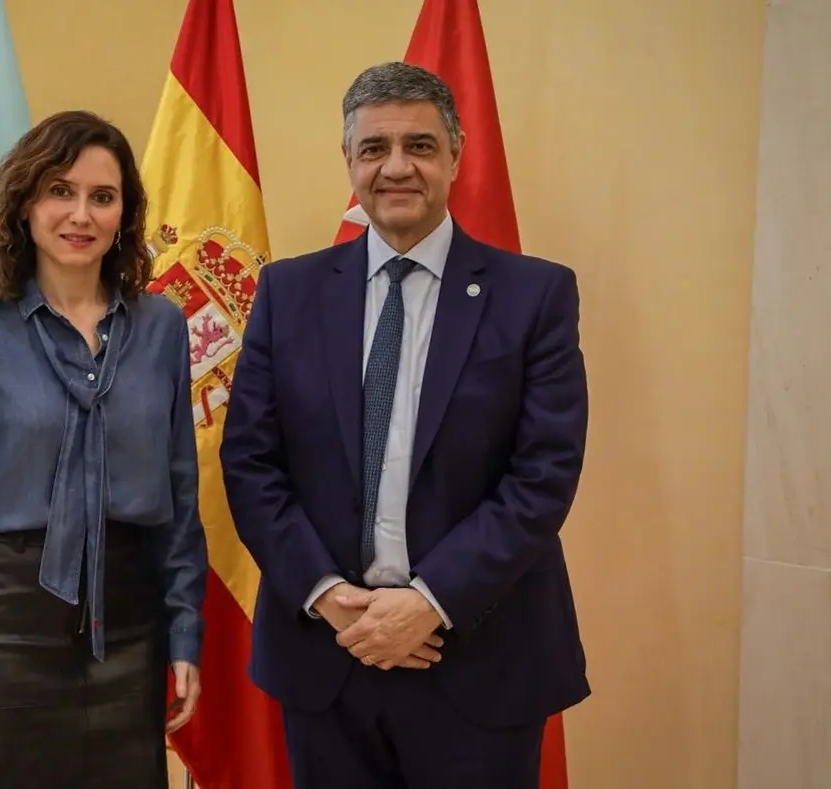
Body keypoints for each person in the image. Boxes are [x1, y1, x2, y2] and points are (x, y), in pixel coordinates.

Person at [220, 62, 590, 788]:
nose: (396, 167)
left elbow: (543, 474)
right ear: (348, 161)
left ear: (456, 155)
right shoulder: (288, 292)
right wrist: (326, 594)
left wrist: (429, 601)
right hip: (328, 655)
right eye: (374, 148)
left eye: (419, 146)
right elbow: (251, 463)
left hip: (478, 658)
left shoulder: (535, 294)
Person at [0, 110, 207, 789]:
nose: (80, 214)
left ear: (124, 215)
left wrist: (184, 633)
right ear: (26, 203)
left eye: (102, 196)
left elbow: (181, 500)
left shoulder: (162, 329)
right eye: (60, 190)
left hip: (128, 631)